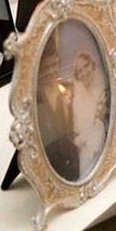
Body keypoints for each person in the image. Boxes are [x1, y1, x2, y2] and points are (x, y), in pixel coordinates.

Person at [36, 42, 79, 182]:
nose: (51, 71)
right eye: (46, 67)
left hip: (75, 156)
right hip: (53, 163)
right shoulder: (36, 98)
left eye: (54, 65)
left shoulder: (68, 88)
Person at [72, 49, 107, 180]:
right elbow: (76, 131)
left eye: (85, 66)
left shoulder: (104, 91)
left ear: (92, 65)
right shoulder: (76, 101)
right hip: (84, 151)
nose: (84, 72)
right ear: (77, 76)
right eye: (79, 71)